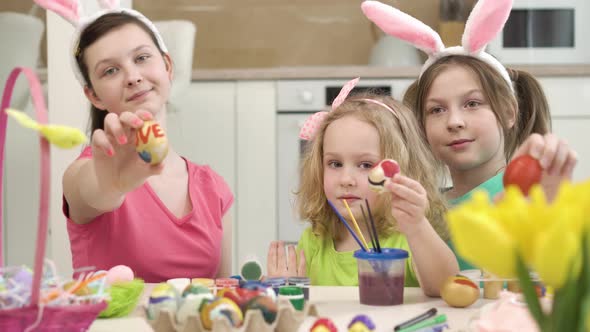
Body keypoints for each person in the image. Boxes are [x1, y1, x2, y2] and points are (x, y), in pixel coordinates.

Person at [362, 0, 577, 270]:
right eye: (437, 109)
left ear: (509, 112)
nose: (454, 121)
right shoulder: (424, 205)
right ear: (421, 127)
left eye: (472, 104)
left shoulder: (528, 193)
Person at [36, 1, 233, 282]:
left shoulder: (214, 188)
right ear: (94, 96)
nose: (133, 77)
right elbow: (93, 190)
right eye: (110, 71)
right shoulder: (88, 172)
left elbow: (223, 296)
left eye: (141, 58)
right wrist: (112, 187)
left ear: (167, 66)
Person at [267, 78, 459, 296]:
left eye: (366, 165)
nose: (346, 179)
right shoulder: (314, 240)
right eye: (335, 164)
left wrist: (417, 226)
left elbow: (447, 287)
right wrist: (284, 288)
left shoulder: (407, 237)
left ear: (400, 172)